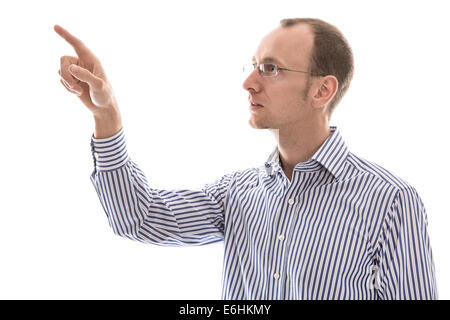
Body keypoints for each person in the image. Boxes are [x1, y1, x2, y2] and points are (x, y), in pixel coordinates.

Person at [55, 18, 437, 300]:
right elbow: (137, 218)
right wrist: (106, 115)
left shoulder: (390, 201)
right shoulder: (236, 193)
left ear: (323, 90)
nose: (249, 82)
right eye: (254, 65)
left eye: (270, 69)